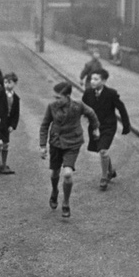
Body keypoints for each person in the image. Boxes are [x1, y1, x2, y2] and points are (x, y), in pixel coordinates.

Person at [39, 82, 100, 218]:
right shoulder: (52, 107)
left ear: (67, 96)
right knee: (55, 173)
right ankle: (54, 191)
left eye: (58, 97)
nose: (55, 100)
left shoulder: (78, 105)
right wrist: (43, 146)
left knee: (67, 174)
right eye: (54, 97)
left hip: (73, 143)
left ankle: (66, 202)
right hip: (56, 143)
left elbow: (91, 113)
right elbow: (44, 125)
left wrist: (95, 128)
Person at [82, 69, 131, 191]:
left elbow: (122, 109)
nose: (92, 82)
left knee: (103, 150)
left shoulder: (111, 94)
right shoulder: (88, 93)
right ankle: (111, 171)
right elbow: (83, 108)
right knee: (101, 150)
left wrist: (126, 125)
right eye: (91, 79)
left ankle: (104, 177)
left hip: (108, 126)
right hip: (94, 127)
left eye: (96, 79)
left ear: (103, 81)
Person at [0, 72, 21, 175]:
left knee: (5, 144)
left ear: (15, 83)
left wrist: (12, 126)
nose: (7, 84)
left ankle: (4, 164)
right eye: (5, 82)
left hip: (6, 124)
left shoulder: (16, 98)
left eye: (9, 82)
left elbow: (16, 114)